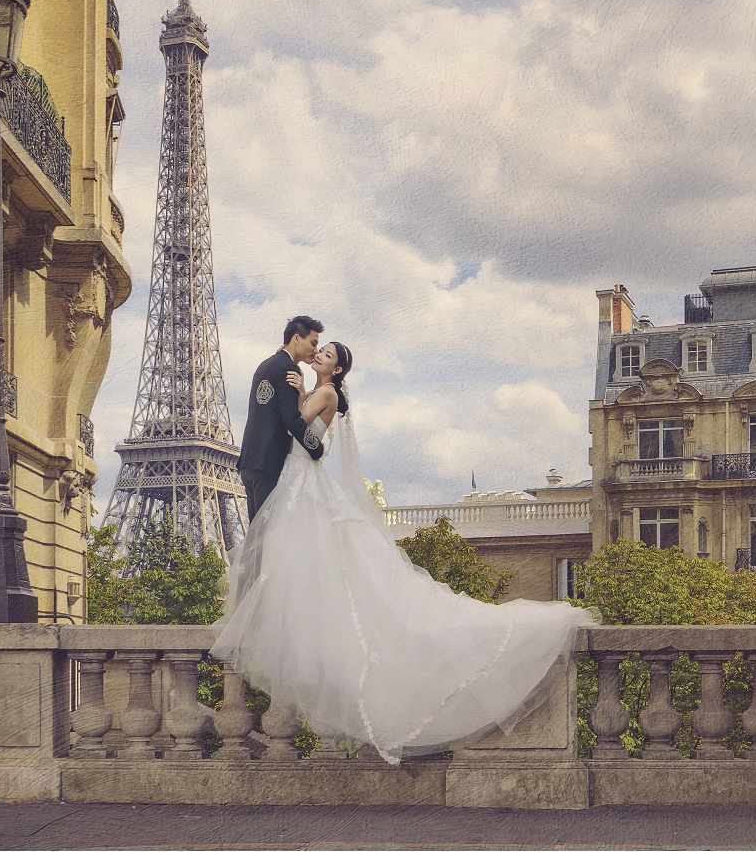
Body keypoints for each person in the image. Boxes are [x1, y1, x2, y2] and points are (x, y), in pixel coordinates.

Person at [212, 339, 592, 764]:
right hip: (302, 481)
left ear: (336, 370)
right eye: (320, 351)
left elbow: (293, 426)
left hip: (301, 481)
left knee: (304, 559)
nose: (319, 355)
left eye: (327, 355)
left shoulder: (325, 392)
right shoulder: (325, 392)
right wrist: (296, 390)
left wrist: (292, 392)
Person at [235, 315, 326, 522]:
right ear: (296, 338)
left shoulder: (266, 364)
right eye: (313, 343)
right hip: (269, 461)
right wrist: (317, 448)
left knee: (257, 537)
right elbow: (291, 421)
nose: (315, 350)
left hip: (249, 460)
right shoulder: (288, 369)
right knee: (267, 537)